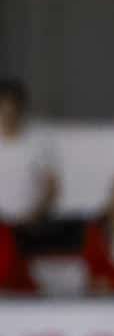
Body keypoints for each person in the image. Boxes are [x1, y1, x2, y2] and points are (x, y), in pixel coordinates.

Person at [0, 79, 60, 238]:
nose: (8, 115)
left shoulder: (38, 142)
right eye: (4, 109)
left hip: (30, 226)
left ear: (21, 108)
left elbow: (52, 186)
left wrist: (37, 214)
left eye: (13, 109)